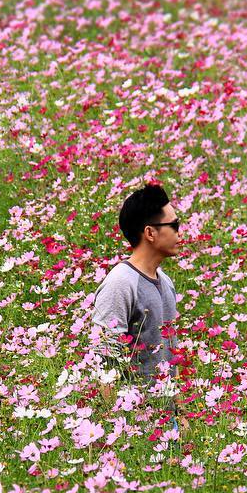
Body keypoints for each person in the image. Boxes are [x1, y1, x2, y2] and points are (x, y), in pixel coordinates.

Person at [92, 183, 186, 432]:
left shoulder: (165, 281)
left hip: (167, 420)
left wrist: (181, 413)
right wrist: (121, 432)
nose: (180, 233)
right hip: (134, 424)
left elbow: (169, 353)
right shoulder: (120, 284)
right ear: (150, 233)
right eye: (174, 226)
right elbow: (104, 364)